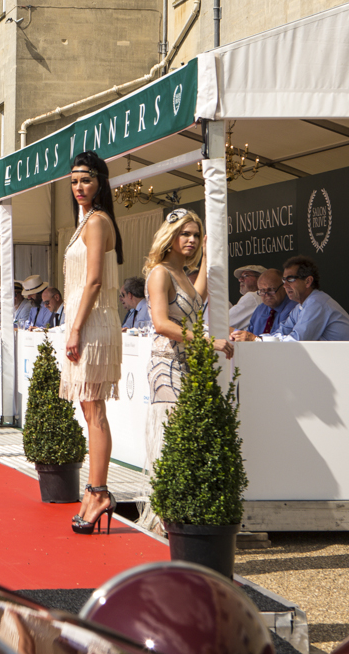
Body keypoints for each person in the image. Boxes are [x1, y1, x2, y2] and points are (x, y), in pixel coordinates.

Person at [140, 208, 233, 532]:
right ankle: (161, 519)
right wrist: (208, 341)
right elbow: (161, 323)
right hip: (166, 364)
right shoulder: (160, 273)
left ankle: (174, 516)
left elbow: (198, 296)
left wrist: (207, 254)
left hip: (188, 365)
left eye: (195, 235)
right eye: (185, 234)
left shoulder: (181, 273)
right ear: (171, 237)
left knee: (185, 440)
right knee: (170, 441)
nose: (191, 240)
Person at [61, 151, 125, 536]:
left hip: (94, 325)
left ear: (100, 182)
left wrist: (75, 329)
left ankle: (99, 493)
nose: (78, 187)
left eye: (85, 179)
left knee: (95, 411)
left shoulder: (98, 221)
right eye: (73, 181)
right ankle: (94, 491)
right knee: (90, 412)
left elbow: (95, 280)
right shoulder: (85, 221)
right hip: (86, 323)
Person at [232, 255, 349, 342]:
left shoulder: (317, 302)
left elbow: (297, 341)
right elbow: (281, 333)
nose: (285, 285)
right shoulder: (299, 307)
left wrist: (256, 340)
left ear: (308, 281)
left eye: (290, 279)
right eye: (284, 280)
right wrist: (257, 339)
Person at [231, 269, 296, 339]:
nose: (266, 294)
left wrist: (255, 339)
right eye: (262, 290)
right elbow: (250, 334)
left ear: (284, 287)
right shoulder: (260, 309)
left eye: (271, 289)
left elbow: (283, 339)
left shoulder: (294, 308)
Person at [229, 265, 266, 331]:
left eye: (246, 275)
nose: (240, 280)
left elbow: (223, 322)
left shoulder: (253, 297)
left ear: (260, 279)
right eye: (240, 277)